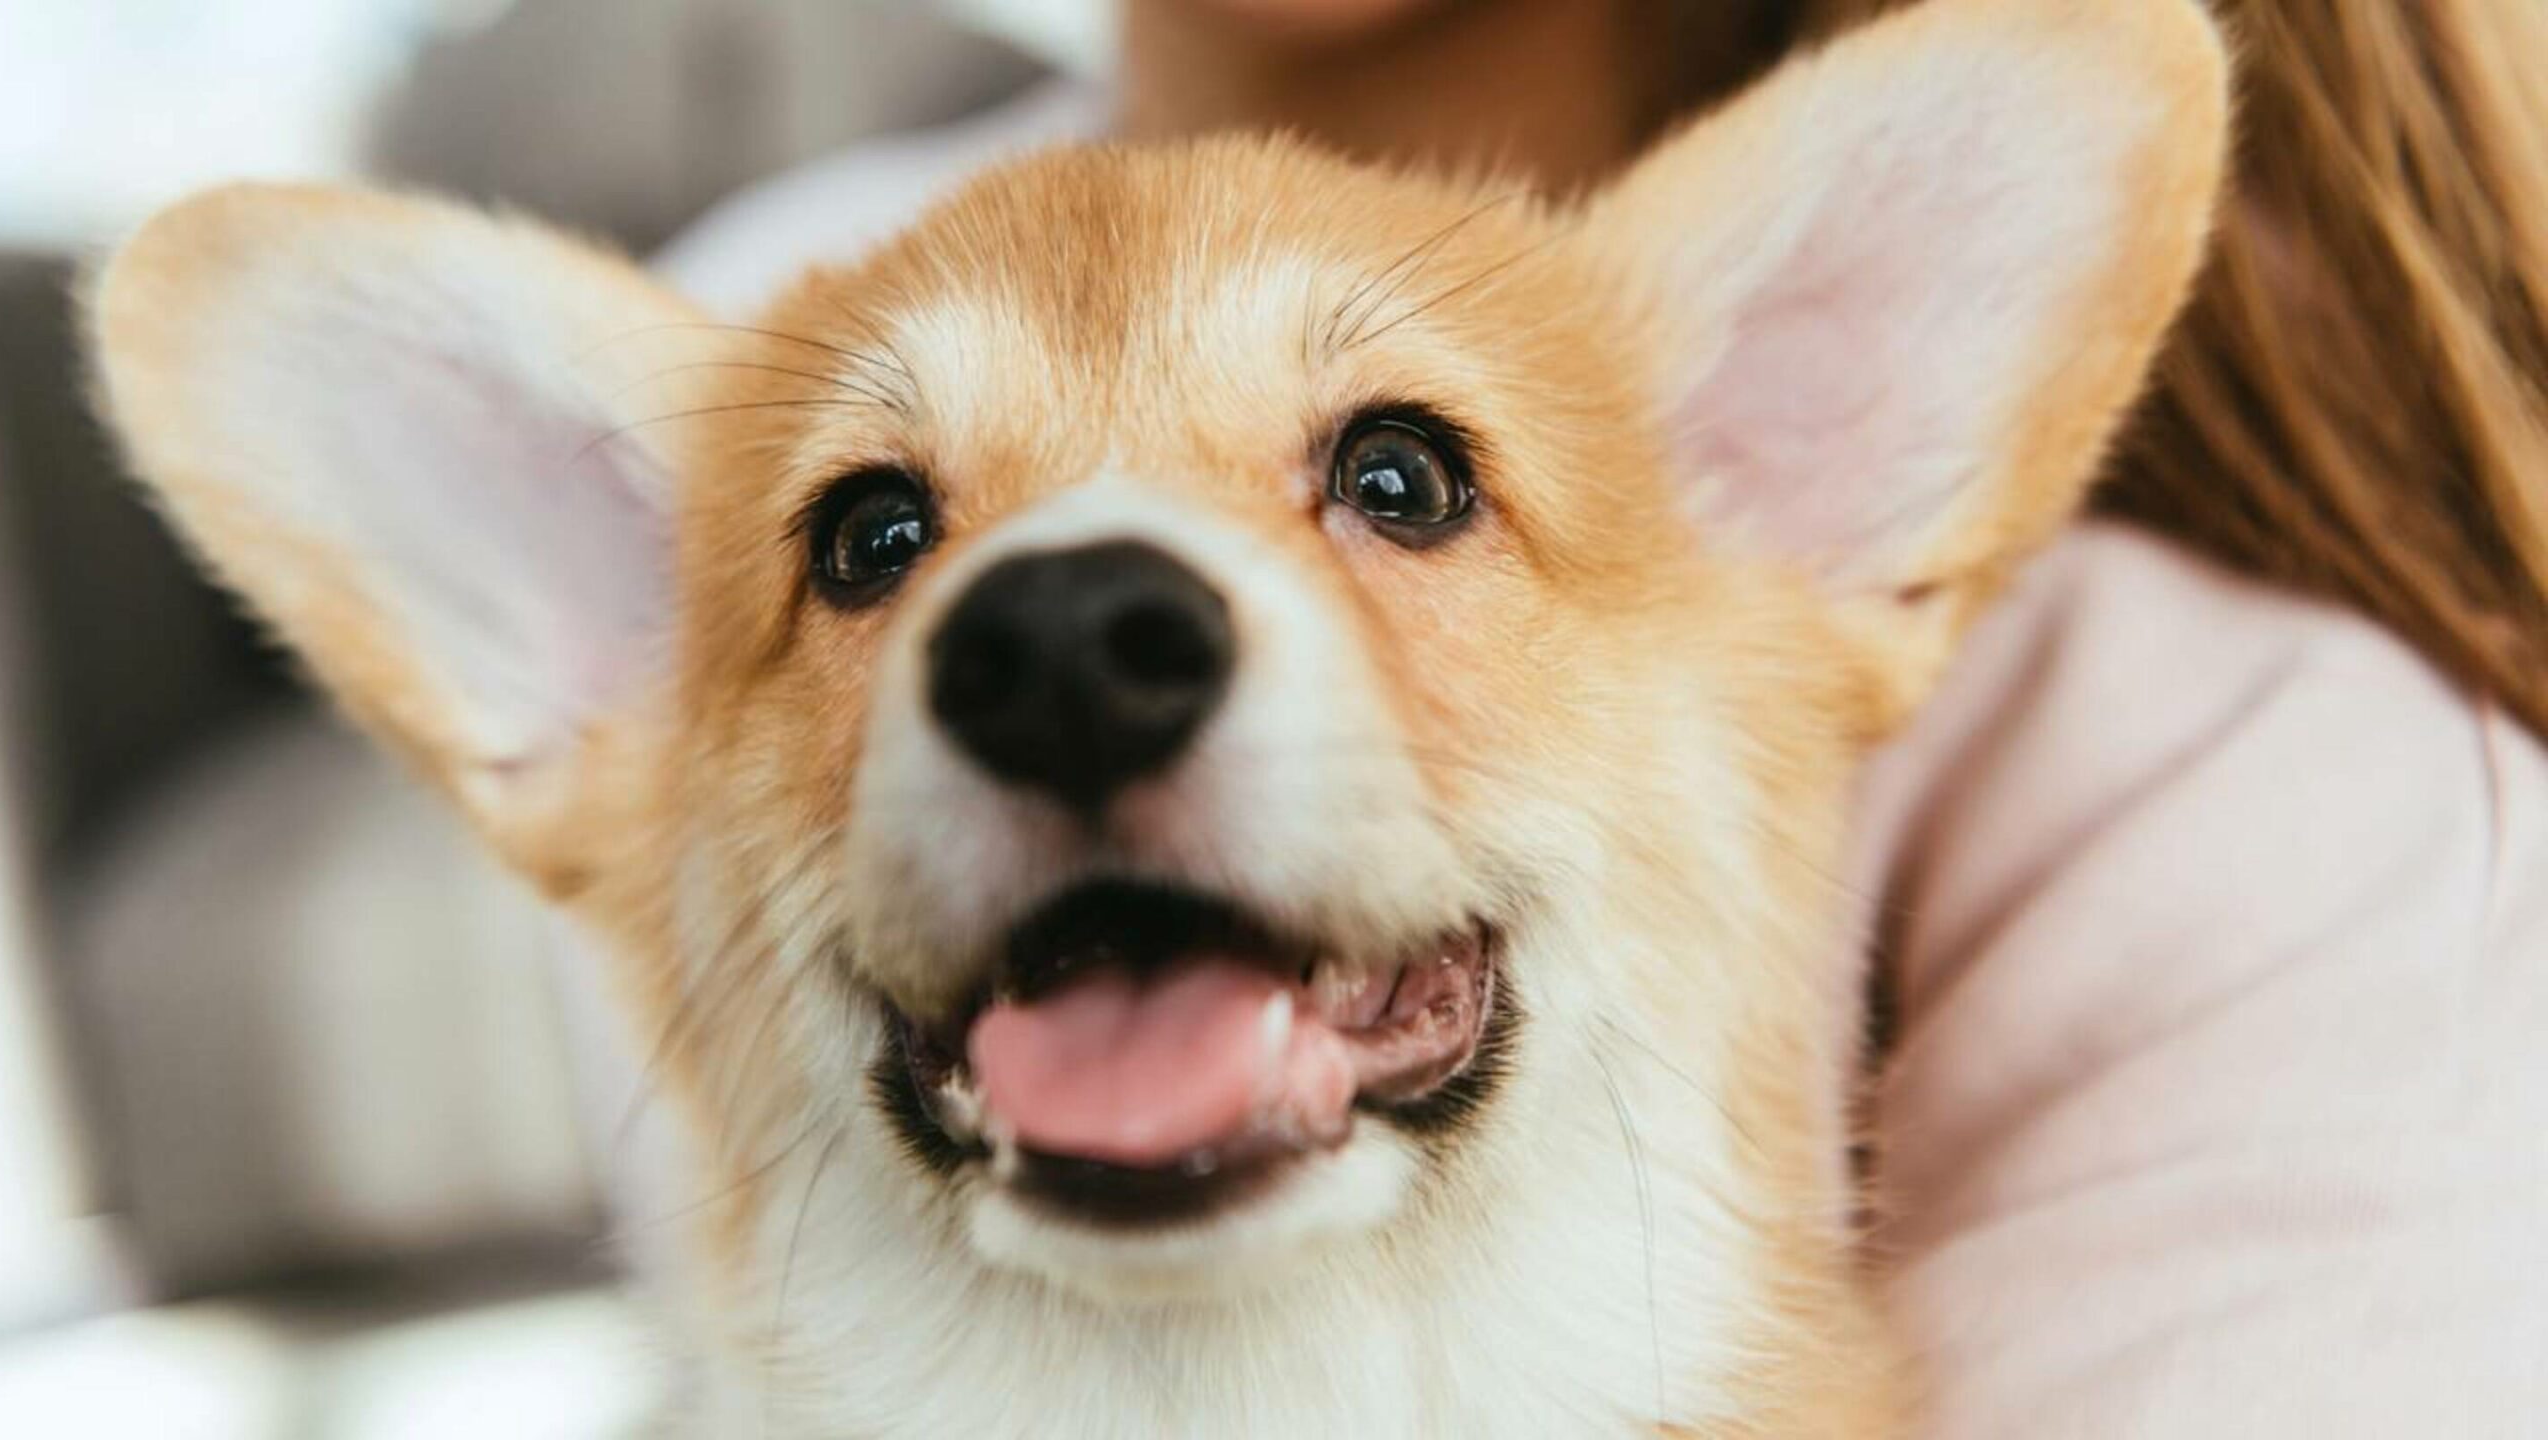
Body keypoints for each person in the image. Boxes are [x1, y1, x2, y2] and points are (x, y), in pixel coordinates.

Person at [660, 2, 2548, 1433]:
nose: (1052, 634)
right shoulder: (736, 332)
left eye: (1401, 485)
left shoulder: (2310, 812)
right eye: (880, 541)